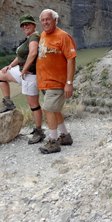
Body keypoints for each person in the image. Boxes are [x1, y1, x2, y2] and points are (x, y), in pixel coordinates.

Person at [0, 14, 44, 144]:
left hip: (30, 74)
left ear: (33, 24)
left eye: (27, 24)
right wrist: (10, 66)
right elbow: (20, 56)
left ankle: (39, 131)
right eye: (23, 25)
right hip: (23, 71)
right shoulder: (27, 39)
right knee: (1, 74)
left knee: (33, 105)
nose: (25, 26)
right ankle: (8, 103)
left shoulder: (34, 36)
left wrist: (26, 68)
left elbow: (33, 53)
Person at [36, 8, 76, 154]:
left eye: (48, 19)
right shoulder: (43, 35)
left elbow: (71, 59)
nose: (45, 22)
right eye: (42, 20)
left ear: (55, 20)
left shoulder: (63, 36)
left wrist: (69, 83)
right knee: (54, 110)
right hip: (44, 83)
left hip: (57, 82)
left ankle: (53, 142)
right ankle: (65, 136)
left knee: (48, 109)